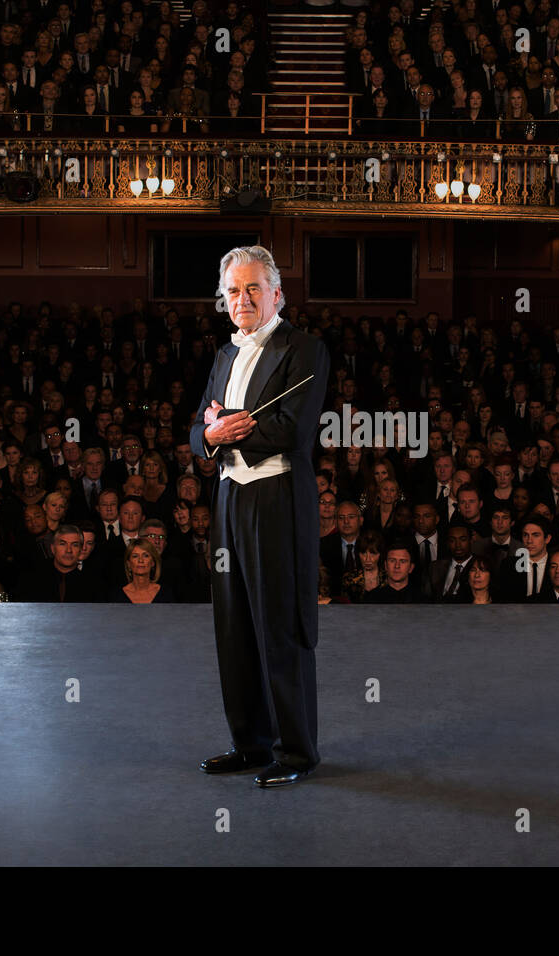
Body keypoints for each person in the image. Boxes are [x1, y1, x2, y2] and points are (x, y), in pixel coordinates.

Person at [190, 245, 331, 789]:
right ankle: (249, 743)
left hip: (276, 497)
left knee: (280, 626)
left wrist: (224, 429)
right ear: (223, 301)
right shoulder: (223, 357)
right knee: (235, 627)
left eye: (253, 289)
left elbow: (293, 431)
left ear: (277, 294)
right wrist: (210, 433)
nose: (242, 299)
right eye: (233, 291)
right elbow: (193, 431)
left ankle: (297, 752)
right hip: (229, 499)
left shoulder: (305, 349)